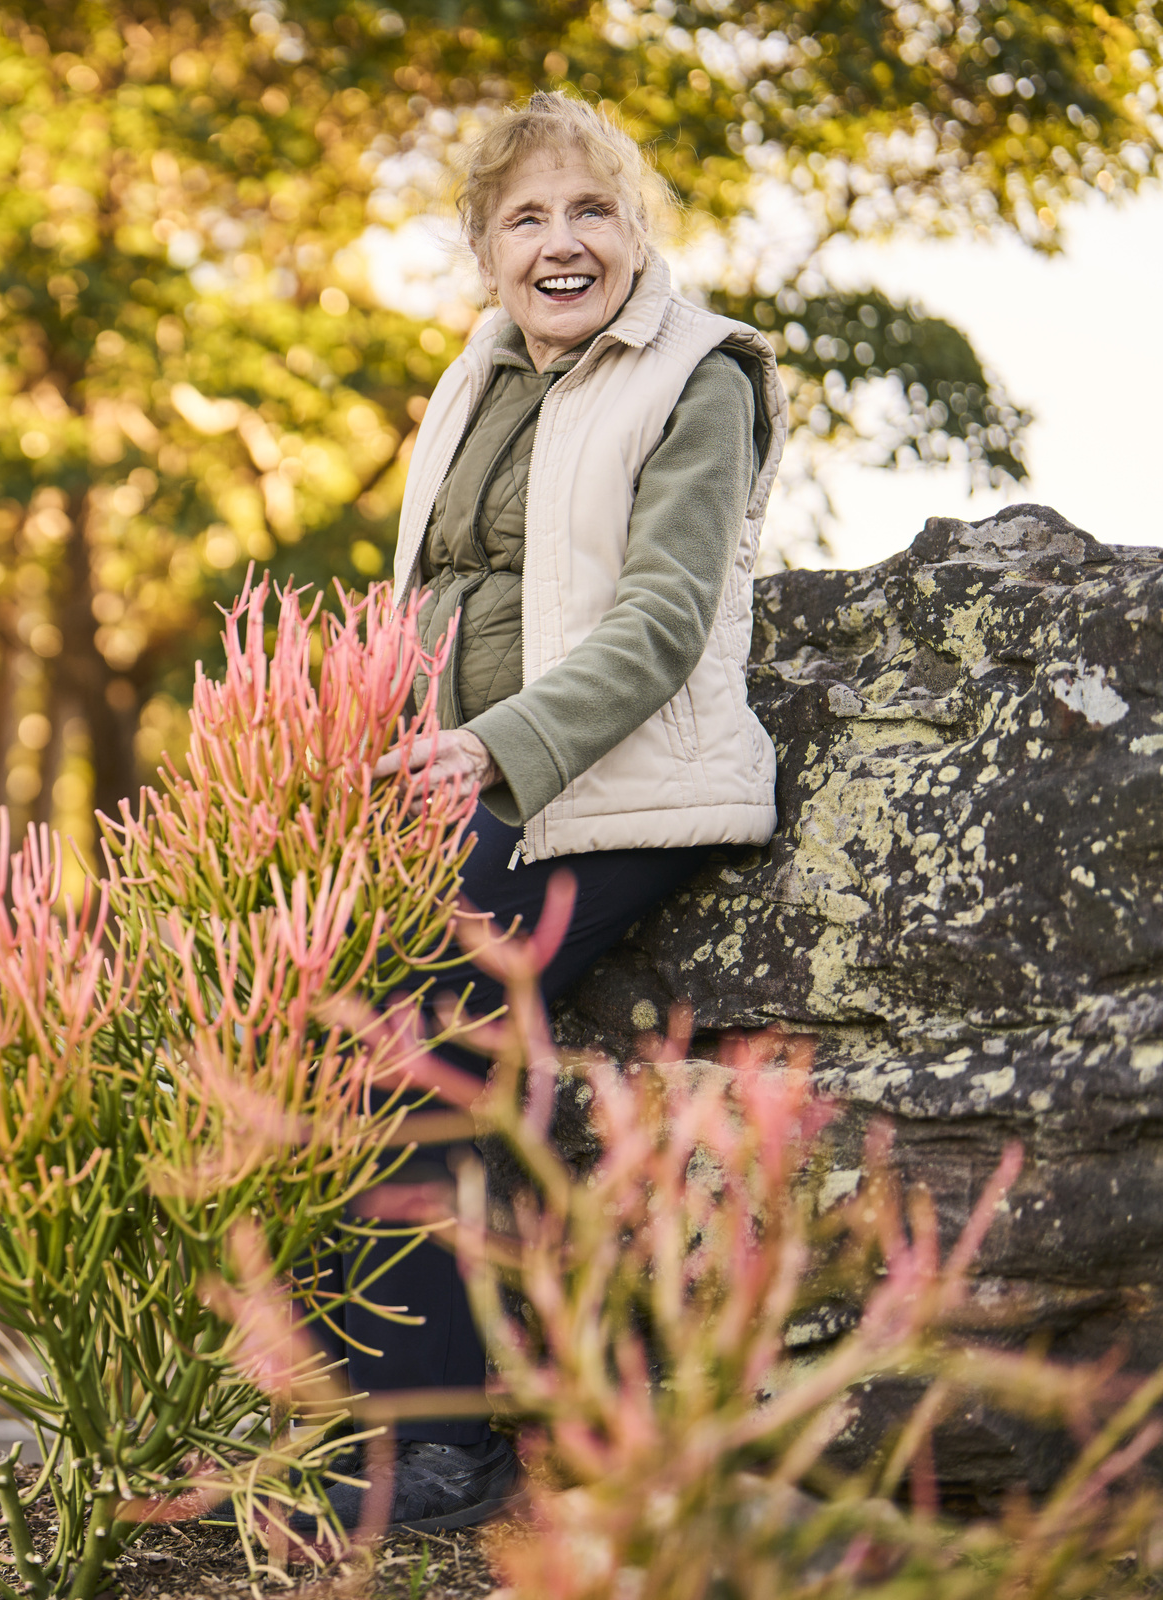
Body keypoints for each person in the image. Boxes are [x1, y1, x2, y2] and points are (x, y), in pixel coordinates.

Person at [334, 91, 791, 1533]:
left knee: (438, 993)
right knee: (317, 996)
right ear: (485, 252)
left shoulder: (699, 374)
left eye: (591, 209)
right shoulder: (474, 377)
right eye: (527, 216)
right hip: (480, 778)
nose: (562, 241)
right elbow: (424, 603)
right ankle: (363, 1409)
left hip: (629, 788)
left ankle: (444, 1445)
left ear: (636, 229)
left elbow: (660, 623)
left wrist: (490, 751)